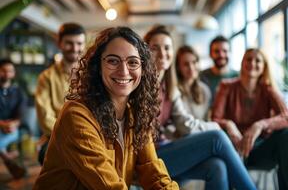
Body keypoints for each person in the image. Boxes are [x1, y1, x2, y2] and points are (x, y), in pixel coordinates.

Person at [33, 27, 179, 189]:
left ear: (143, 69)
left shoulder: (136, 114)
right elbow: (109, 187)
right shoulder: (76, 116)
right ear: (97, 67)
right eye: (113, 61)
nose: (124, 71)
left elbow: (154, 173)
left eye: (133, 62)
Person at [144, 25, 256, 190]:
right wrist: (216, 127)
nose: (162, 53)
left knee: (217, 167)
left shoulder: (168, 86)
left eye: (167, 47)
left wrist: (213, 126)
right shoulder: (141, 86)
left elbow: (183, 122)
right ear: (145, 52)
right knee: (217, 137)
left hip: (166, 149)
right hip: (149, 157)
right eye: (155, 48)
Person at [212, 48, 288, 190]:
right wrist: (228, 124)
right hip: (233, 148)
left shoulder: (267, 88)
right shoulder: (226, 87)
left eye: (257, 60)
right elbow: (214, 119)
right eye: (248, 59)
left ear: (263, 67)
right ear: (242, 63)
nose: (252, 63)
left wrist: (260, 125)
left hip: (260, 149)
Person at [35, 22, 86, 164]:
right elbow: (45, 117)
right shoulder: (46, 77)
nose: (75, 48)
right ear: (59, 43)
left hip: (90, 134)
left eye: (79, 43)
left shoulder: (94, 75)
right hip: (57, 137)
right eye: (69, 43)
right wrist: (71, 137)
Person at [0, 59, 27, 179]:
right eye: (3, 70)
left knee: (12, 132)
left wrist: (13, 124)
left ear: (14, 73)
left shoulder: (19, 92)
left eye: (9, 70)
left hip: (13, 129)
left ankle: (5, 155)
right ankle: (6, 156)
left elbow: (20, 116)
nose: (6, 74)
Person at [175, 45, 211, 120]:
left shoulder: (205, 90)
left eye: (194, 62)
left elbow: (206, 119)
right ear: (178, 67)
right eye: (186, 64)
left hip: (201, 130)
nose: (191, 67)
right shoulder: (174, 90)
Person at [200, 35, 238, 102]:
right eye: (216, 51)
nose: (221, 55)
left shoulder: (238, 77)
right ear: (210, 54)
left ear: (230, 53)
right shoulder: (201, 76)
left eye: (225, 51)